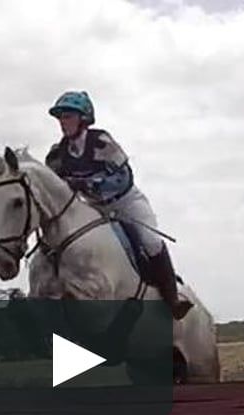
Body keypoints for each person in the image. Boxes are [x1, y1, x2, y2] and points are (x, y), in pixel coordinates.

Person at [43, 90, 193, 320]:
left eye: (68, 116)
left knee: (151, 242)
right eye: (60, 118)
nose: (63, 122)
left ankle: (172, 298)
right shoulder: (57, 154)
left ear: (83, 118)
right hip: (93, 208)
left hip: (125, 202)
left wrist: (85, 183)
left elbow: (122, 178)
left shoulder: (101, 141)